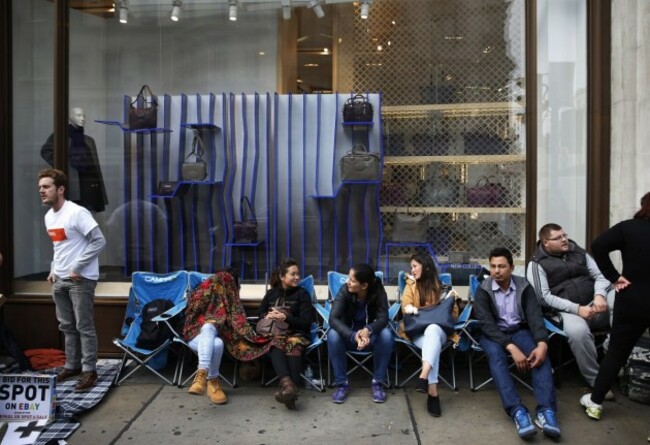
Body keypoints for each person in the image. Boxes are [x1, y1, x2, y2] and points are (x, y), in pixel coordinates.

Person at [474, 247, 560, 439]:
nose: (496, 271)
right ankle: (517, 411)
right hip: (493, 335)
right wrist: (510, 347)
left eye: (502, 266)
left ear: (511, 268)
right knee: (497, 356)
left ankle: (546, 411)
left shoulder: (524, 286)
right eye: (493, 266)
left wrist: (542, 343)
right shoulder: (483, 290)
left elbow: (535, 316)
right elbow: (486, 325)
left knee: (540, 355)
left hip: (519, 330)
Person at [580, 191, 650, 421]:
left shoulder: (629, 228)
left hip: (632, 299)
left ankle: (596, 403)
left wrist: (614, 277)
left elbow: (598, 245)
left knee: (617, 352)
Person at [38, 168, 106, 392]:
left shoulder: (77, 213)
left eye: (46, 187)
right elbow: (59, 246)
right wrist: (53, 268)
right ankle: (72, 365)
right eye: (40, 187)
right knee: (66, 326)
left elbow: (98, 241)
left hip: (81, 279)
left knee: (84, 326)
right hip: (60, 279)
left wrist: (78, 266)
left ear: (60, 189)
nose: (41, 191)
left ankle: (89, 371)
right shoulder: (49, 216)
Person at [527, 223, 615, 394]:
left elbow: (601, 275)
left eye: (564, 235)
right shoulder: (536, 264)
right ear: (545, 242)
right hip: (566, 312)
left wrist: (599, 295)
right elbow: (543, 298)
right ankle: (596, 381)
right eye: (558, 238)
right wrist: (577, 309)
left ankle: (611, 351)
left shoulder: (578, 252)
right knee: (578, 331)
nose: (564, 240)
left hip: (596, 303)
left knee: (622, 301)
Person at [399, 253, 459, 417]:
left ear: (425, 267)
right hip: (417, 332)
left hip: (440, 333)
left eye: (414, 266)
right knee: (432, 344)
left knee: (433, 329)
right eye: (411, 267)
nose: (412, 270)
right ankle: (432, 390)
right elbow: (406, 308)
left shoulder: (442, 287)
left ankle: (424, 376)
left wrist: (449, 303)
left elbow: (452, 315)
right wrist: (432, 311)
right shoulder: (410, 286)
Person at [327, 263, 394, 404]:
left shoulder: (378, 291)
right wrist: (353, 335)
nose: (348, 282)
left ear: (364, 286)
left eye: (352, 280)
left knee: (387, 335)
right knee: (333, 335)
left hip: (371, 338)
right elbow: (333, 318)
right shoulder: (345, 291)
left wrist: (368, 330)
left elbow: (383, 318)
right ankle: (341, 384)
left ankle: (378, 383)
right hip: (349, 338)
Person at [257, 258, 312, 409]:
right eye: (293, 274)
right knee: (277, 342)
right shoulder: (270, 294)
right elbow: (260, 314)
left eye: (298, 274)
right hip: (275, 333)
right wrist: (266, 317)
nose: (297, 277)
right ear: (282, 277)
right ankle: (290, 390)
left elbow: (306, 323)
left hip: (297, 333)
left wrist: (286, 317)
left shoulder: (303, 294)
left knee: (292, 343)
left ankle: (288, 391)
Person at [181, 270, 237, 405]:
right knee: (207, 326)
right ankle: (212, 381)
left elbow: (235, 319)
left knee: (217, 342)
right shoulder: (201, 293)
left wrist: (219, 320)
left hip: (214, 335)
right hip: (194, 334)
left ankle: (203, 376)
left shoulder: (231, 298)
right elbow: (190, 313)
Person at [41, 107, 108, 212]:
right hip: (72, 186)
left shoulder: (89, 140)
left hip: (89, 189)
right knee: (70, 219)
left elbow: (95, 169)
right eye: (78, 115)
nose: (82, 119)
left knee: (87, 221)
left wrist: (99, 195)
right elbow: (46, 151)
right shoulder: (60, 136)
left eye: (84, 116)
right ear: (70, 117)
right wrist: (63, 164)